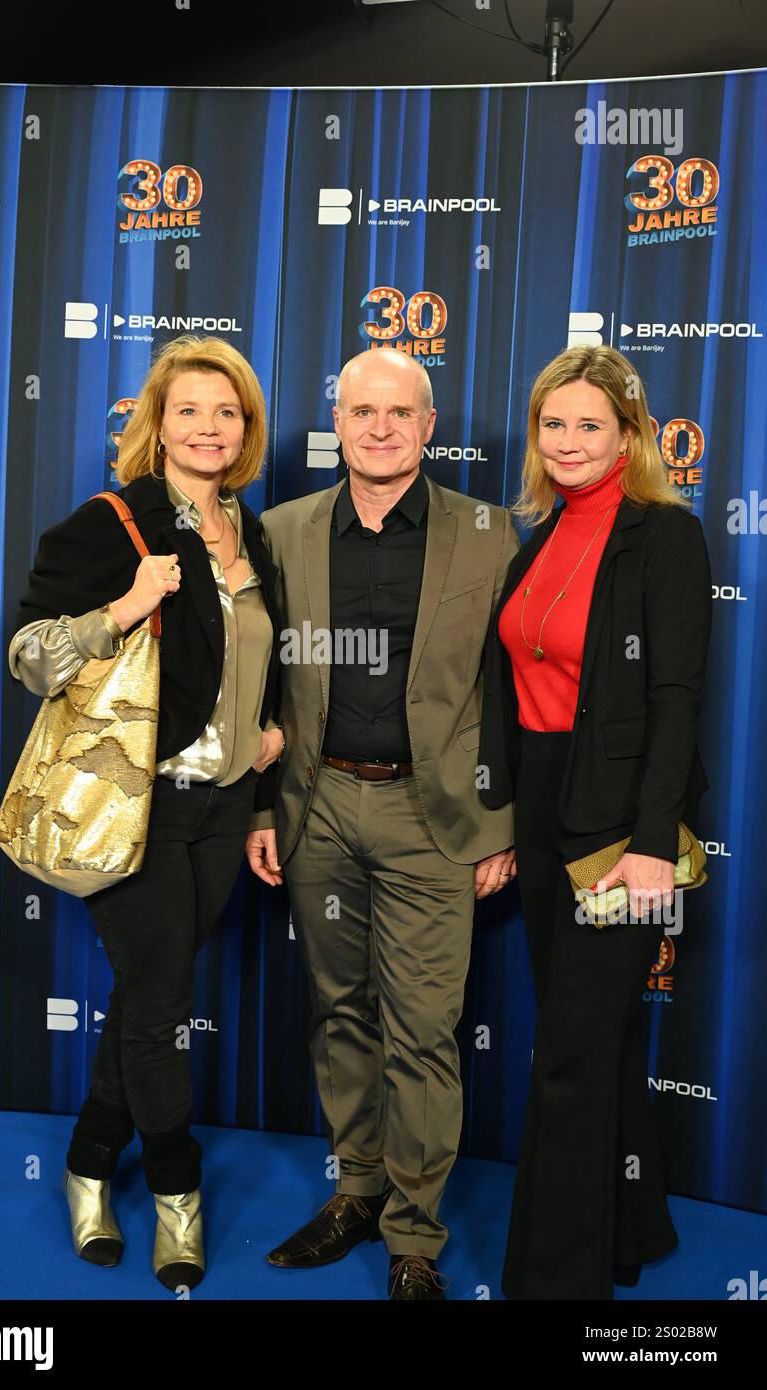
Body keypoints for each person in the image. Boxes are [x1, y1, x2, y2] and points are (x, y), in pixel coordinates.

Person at [7, 336, 284, 1291]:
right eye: (189, 411)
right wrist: (120, 608)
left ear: (246, 431)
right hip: (136, 807)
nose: (210, 429)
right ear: (155, 425)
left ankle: (88, 1164)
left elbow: (253, 661)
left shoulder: (252, 534)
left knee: (144, 997)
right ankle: (177, 1197)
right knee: (164, 1006)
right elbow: (31, 657)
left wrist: (266, 736)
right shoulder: (112, 523)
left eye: (228, 413)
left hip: (225, 807)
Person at [245, 348, 520, 1300]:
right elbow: (261, 685)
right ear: (338, 420)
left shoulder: (489, 535)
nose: (379, 428)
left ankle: (413, 1236)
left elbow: (512, 686)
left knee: (423, 1031)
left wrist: (501, 821)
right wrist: (260, 808)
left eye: (399, 412)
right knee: (340, 1015)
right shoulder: (280, 533)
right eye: (362, 411)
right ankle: (353, 1194)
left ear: (428, 425)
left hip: (433, 817)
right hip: (316, 809)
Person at [478, 344, 712, 1300]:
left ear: (627, 438)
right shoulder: (539, 533)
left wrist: (653, 846)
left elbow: (674, 697)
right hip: (540, 804)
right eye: (552, 424)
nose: (568, 441)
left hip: (618, 826)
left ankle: (555, 1286)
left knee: (571, 1054)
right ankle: (633, 1224)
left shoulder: (664, 535)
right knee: (600, 1042)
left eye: (589, 426)